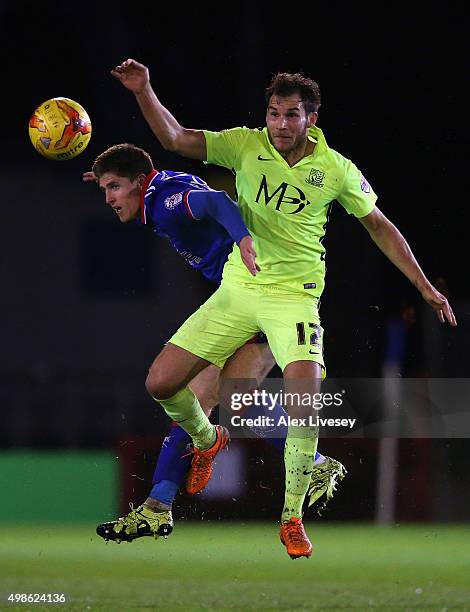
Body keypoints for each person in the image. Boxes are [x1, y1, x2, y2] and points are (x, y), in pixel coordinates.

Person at [109, 59, 457, 559]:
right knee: (170, 386)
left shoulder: (335, 169)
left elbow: (379, 224)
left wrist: (422, 284)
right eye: (274, 113)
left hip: (294, 297)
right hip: (238, 290)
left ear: (310, 119)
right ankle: (224, 451)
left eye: (292, 115)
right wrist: (143, 90)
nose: (280, 124)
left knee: (297, 398)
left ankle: (289, 517)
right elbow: (177, 138)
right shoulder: (244, 144)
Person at [86, 144, 346, 545]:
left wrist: (243, 238)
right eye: (105, 189)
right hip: (239, 292)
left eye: (114, 188)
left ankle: (159, 507)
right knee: (226, 398)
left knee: (207, 398)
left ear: (139, 183)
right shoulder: (158, 187)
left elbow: (218, 201)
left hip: (263, 287)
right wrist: (116, 180)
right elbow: (156, 178)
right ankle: (162, 504)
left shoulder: (166, 201)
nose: (109, 199)